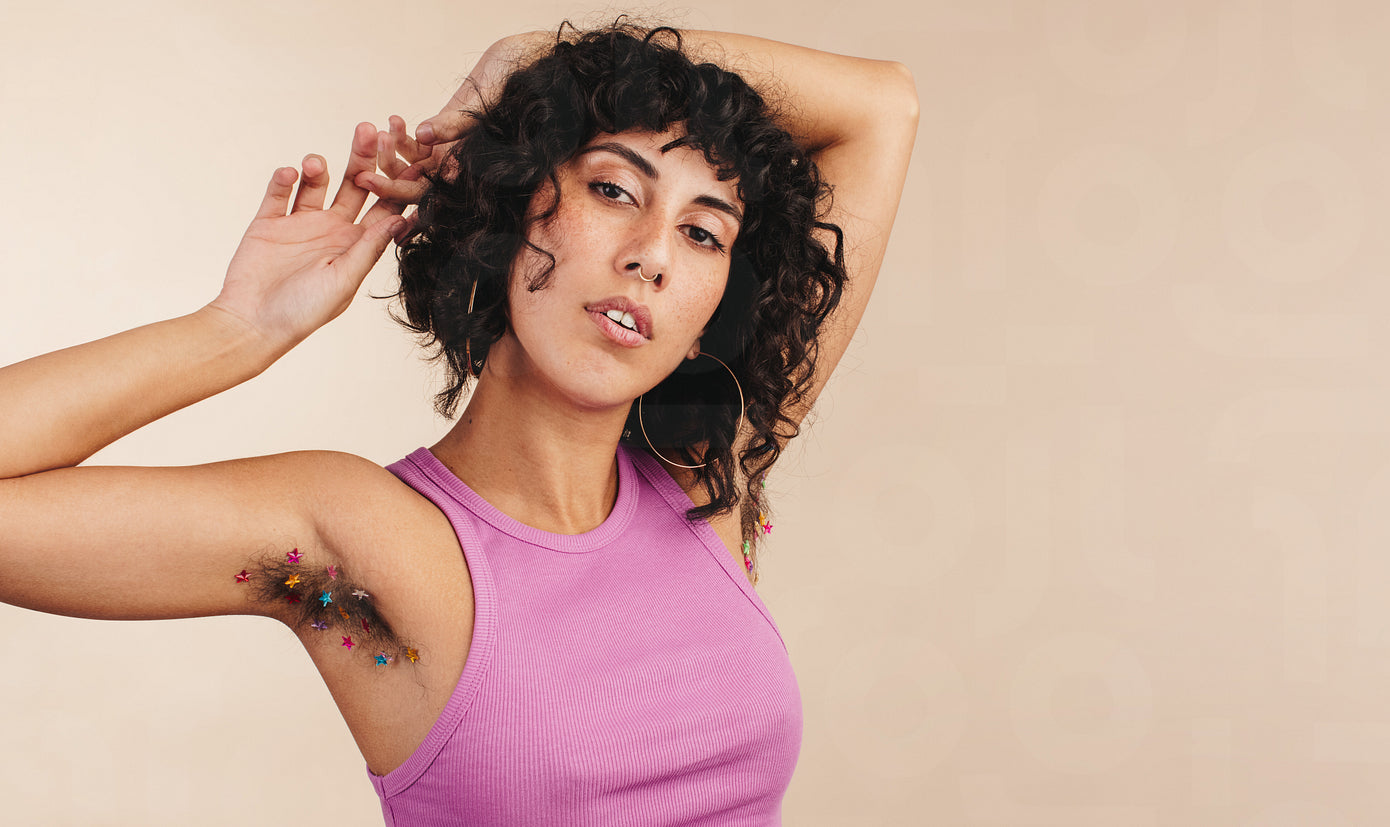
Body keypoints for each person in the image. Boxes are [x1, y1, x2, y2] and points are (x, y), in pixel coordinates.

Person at [0, 20, 917, 825]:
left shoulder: (711, 484)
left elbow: (884, 107)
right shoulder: (364, 542)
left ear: (713, 313)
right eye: (612, 190)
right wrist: (238, 330)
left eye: (703, 233)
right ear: (512, 210)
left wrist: (534, 55)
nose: (652, 257)